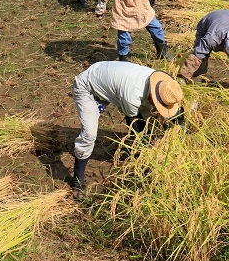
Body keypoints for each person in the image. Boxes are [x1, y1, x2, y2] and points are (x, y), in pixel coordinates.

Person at [71, 61, 184, 199]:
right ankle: (78, 179)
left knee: (146, 122)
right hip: (87, 87)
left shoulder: (163, 82)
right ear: (154, 97)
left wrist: (181, 128)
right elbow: (135, 124)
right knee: (89, 134)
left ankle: (138, 153)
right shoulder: (133, 94)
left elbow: (171, 113)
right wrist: (149, 143)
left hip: (106, 77)